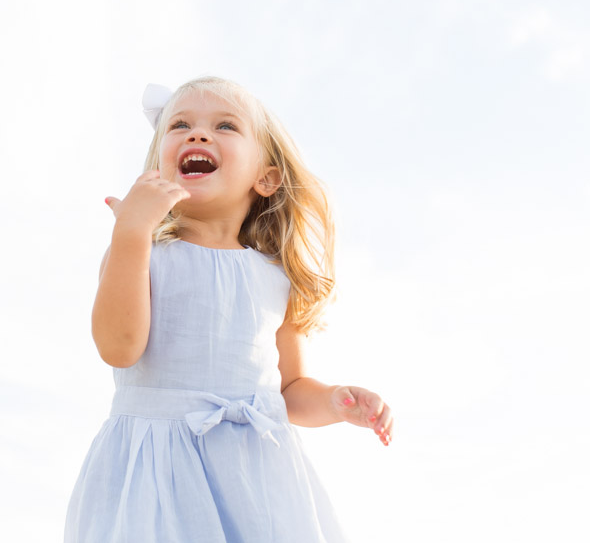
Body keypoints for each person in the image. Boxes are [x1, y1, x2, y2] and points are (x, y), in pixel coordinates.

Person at [64, 76, 394, 542]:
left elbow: (290, 389)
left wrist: (335, 401)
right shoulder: (141, 251)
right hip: (156, 474)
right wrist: (132, 233)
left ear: (266, 177)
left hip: (255, 476)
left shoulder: (276, 278)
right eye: (180, 124)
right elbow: (119, 349)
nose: (198, 135)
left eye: (225, 126)